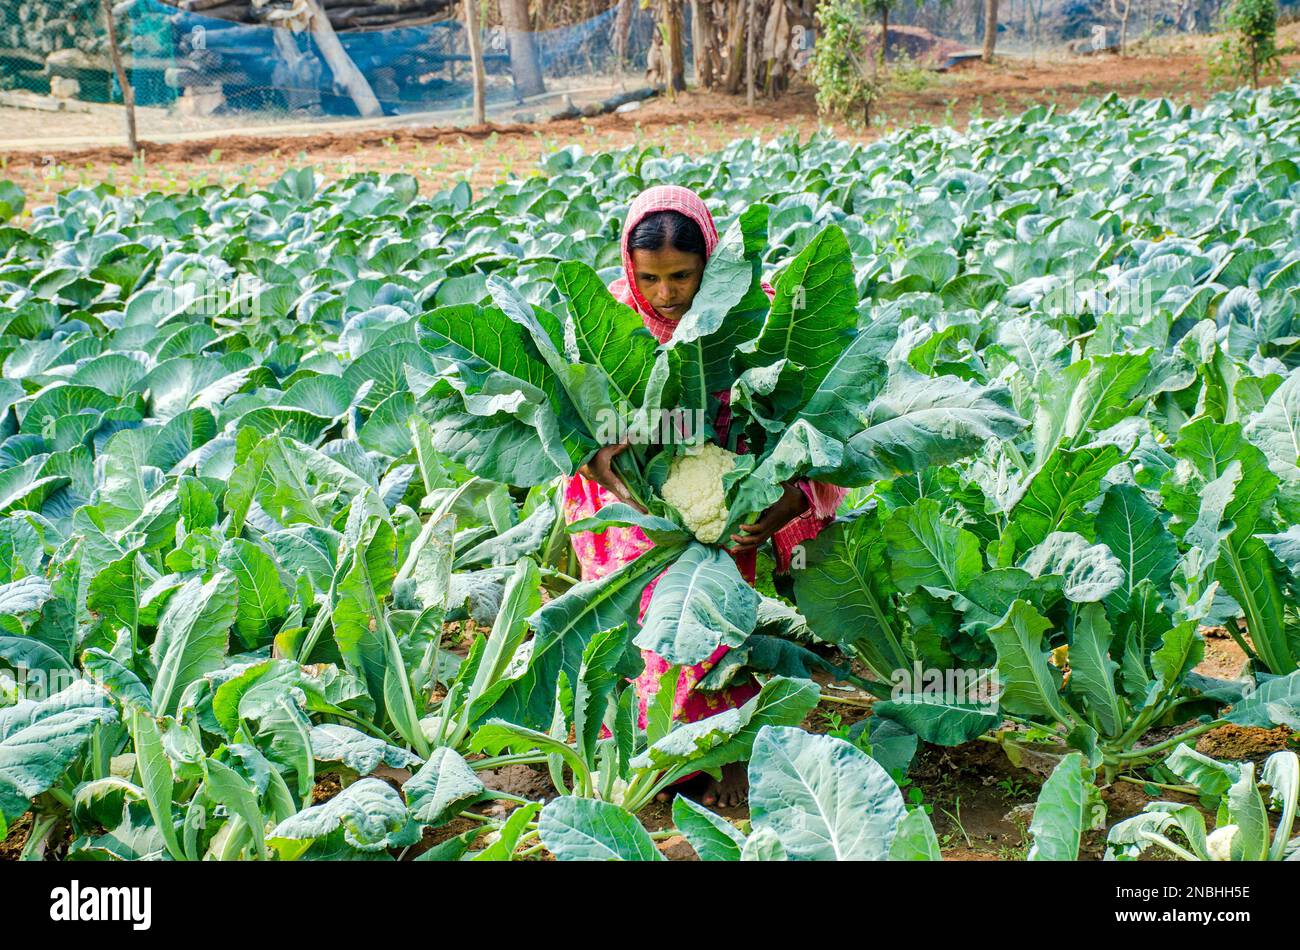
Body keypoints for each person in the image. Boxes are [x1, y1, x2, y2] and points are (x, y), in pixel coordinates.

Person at [563, 185, 847, 807]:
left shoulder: (756, 319)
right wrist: (610, 464)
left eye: (682, 276)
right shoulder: (606, 323)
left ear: (709, 263)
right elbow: (570, 424)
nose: (666, 293)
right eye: (651, 278)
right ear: (630, 271)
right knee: (628, 627)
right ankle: (638, 753)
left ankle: (720, 750)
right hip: (628, 507)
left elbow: (815, 425)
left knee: (712, 627)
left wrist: (780, 504)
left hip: (724, 501)